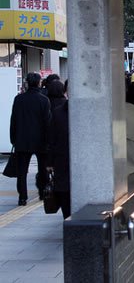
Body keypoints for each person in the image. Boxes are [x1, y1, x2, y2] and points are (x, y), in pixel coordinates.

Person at [10, 72, 51, 206]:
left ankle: (22, 197)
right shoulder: (44, 100)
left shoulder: (19, 99)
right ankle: (42, 193)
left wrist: (13, 138)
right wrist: (48, 140)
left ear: (27, 83)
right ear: (39, 83)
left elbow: (14, 120)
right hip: (40, 140)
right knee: (42, 168)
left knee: (22, 171)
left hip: (22, 139)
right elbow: (47, 122)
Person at [46, 84, 70, 219]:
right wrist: (49, 162)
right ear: (66, 92)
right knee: (65, 199)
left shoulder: (90, 112)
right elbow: (51, 139)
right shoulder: (57, 113)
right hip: (62, 162)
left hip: (84, 166)